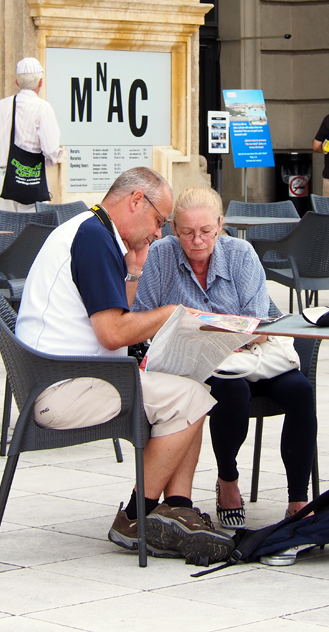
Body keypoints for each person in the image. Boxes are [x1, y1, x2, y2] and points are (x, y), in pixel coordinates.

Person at [15, 167, 233, 562]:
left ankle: (175, 510)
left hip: (63, 377)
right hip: (62, 388)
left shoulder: (90, 229)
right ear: (136, 200)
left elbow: (118, 311)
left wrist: (135, 266)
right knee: (192, 396)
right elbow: (114, 333)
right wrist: (176, 313)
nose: (159, 233)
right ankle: (136, 518)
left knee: (188, 391)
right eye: (158, 221)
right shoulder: (94, 239)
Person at [131, 186, 317, 529]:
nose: (197, 241)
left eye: (206, 232)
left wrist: (208, 330)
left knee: (301, 391)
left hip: (249, 355)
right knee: (232, 391)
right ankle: (228, 480)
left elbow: (257, 325)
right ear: (174, 229)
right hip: (199, 364)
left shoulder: (240, 253)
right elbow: (144, 319)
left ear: (220, 224)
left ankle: (298, 499)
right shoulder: (161, 254)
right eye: (187, 232)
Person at [0, 57, 64, 212]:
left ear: (17, 82)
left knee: (7, 228)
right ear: (40, 82)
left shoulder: (2, 105)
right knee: (33, 230)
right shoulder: (43, 108)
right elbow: (50, 150)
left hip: (4, 177)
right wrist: (57, 157)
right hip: (31, 177)